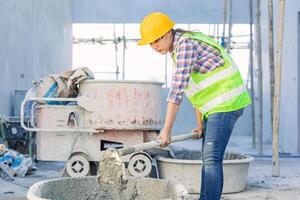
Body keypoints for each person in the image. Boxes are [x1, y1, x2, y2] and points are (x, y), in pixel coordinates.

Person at [138, 12, 251, 200]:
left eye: (156, 40)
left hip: (225, 103)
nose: (154, 46)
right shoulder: (178, 49)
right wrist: (200, 124)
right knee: (208, 160)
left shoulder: (185, 46)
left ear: (168, 33)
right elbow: (198, 89)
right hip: (215, 106)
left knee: (212, 159)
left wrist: (166, 131)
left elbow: (176, 92)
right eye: (150, 43)